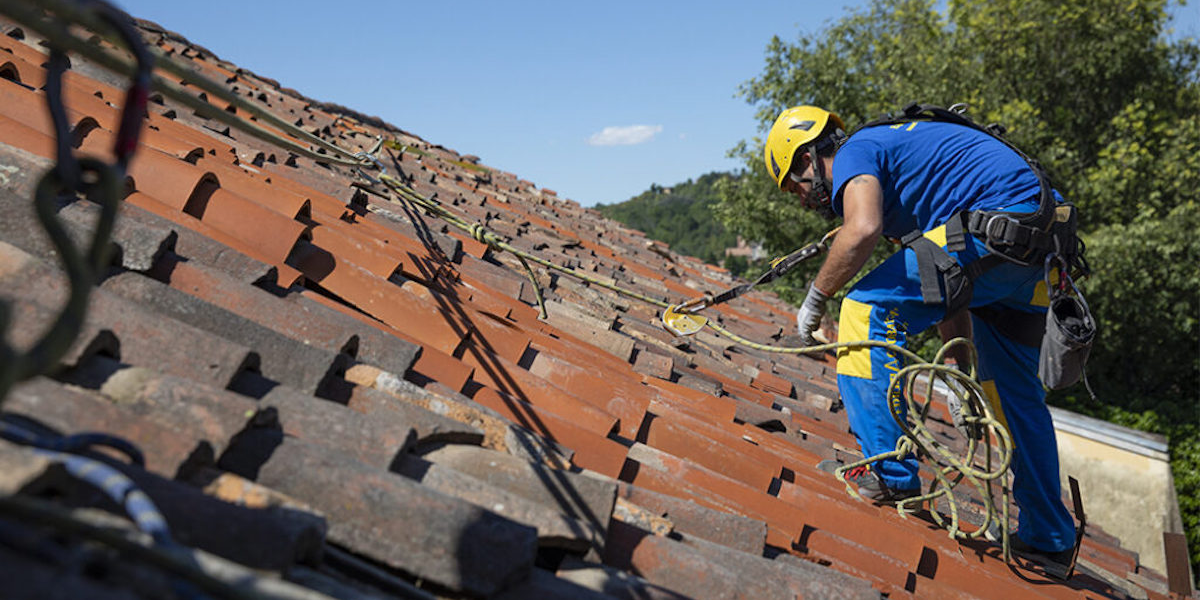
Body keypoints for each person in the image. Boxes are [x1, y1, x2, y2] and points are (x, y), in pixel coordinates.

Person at [763, 104, 1077, 570]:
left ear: (809, 155)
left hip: (995, 230)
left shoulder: (857, 152)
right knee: (1011, 393)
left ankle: (889, 472)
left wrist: (816, 298)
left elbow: (861, 229)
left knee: (864, 310)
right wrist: (957, 371)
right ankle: (1049, 535)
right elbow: (947, 277)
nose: (802, 198)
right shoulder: (904, 172)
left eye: (795, 183)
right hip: (1039, 245)